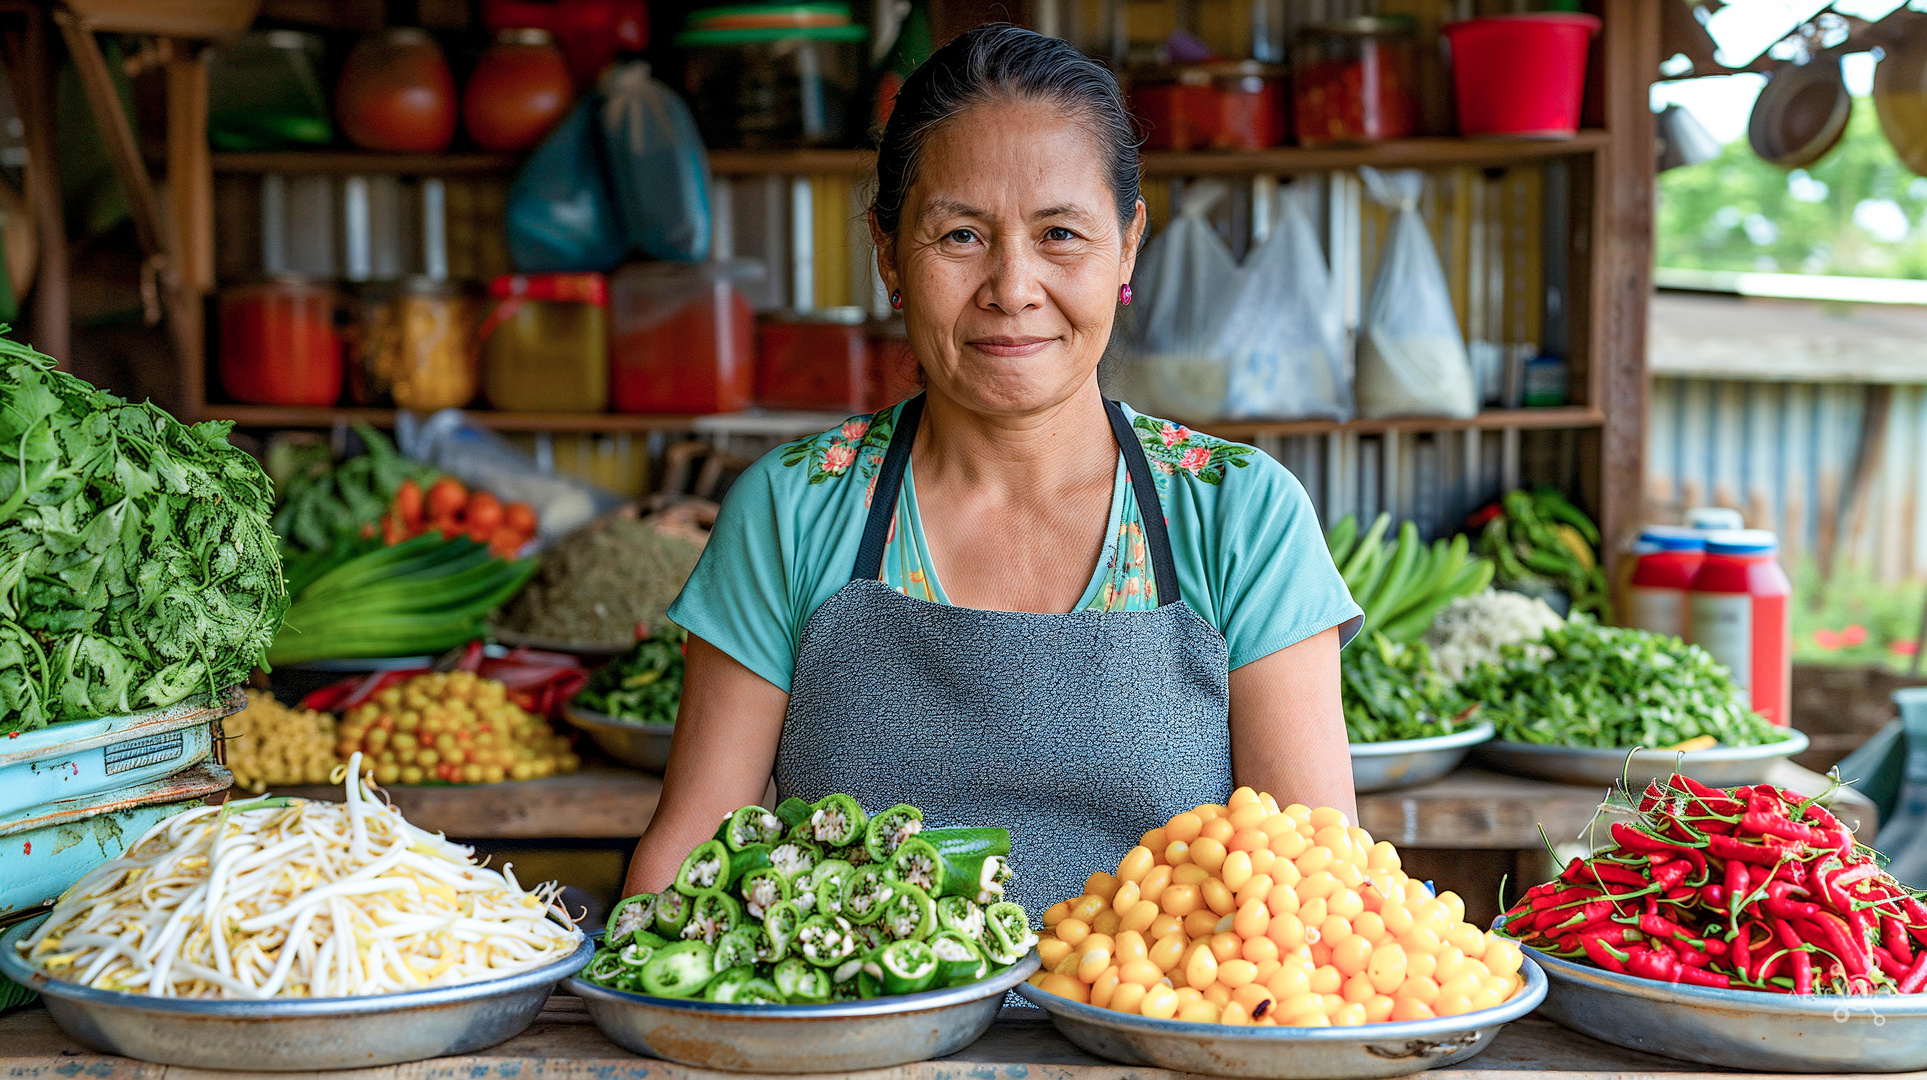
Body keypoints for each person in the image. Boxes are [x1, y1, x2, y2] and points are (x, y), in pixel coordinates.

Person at [624, 24, 1361, 913]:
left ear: (1126, 245)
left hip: (1161, 1044)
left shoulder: (1234, 512)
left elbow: (1314, 887)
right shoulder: (794, 509)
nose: (1012, 286)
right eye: (961, 236)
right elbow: (691, 855)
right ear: (890, 251)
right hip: (862, 1048)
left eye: (1059, 233)